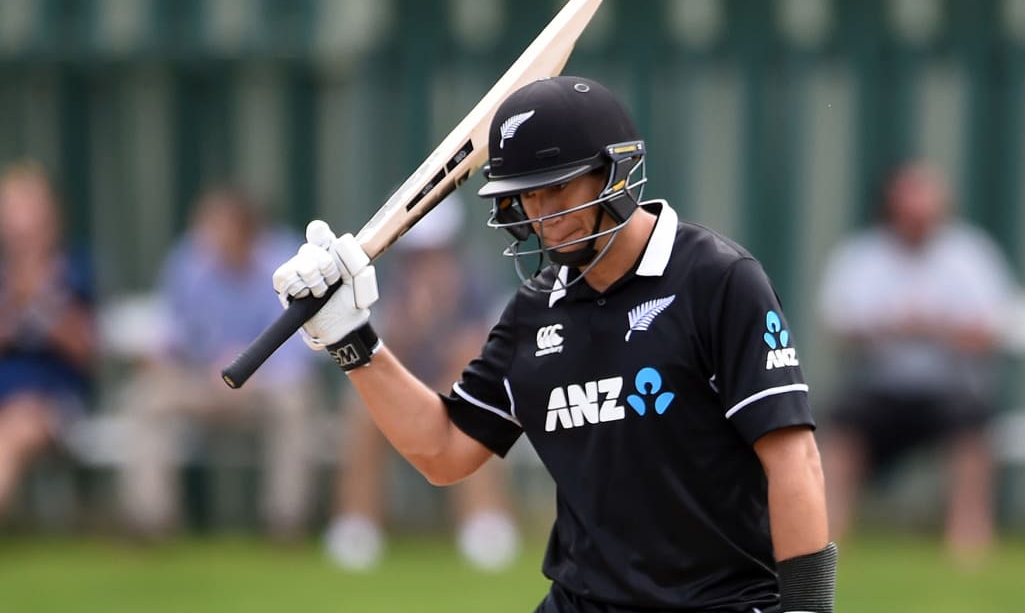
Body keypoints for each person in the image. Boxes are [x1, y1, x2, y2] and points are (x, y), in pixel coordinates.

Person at [270, 76, 836, 612]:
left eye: (558, 189)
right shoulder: (532, 313)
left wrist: (808, 608)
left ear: (614, 173)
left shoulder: (718, 280)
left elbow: (793, 459)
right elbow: (445, 450)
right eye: (526, 198)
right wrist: (352, 339)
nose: (544, 217)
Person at [816, 162, 1013, 562]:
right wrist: (889, 327)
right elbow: (840, 327)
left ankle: (968, 538)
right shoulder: (862, 255)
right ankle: (829, 534)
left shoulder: (970, 254)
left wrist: (936, 329)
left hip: (950, 387)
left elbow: (992, 331)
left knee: (972, 425)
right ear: (892, 207)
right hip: (883, 387)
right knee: (838, 423)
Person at [323, 194, 521, 572]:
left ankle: (483, 521)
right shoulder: (387, 285)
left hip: (457, 392)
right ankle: (357, 523)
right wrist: (414, 322)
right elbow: (382, 359)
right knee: (362, 410)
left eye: (435, 251)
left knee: (468, 405)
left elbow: (476, 358)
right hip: (405, 393)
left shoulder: (474, 284)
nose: (426, 261)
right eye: (419, 253)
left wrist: (437, 317)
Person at [117, 184, 322, 541]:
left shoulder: (286, 262)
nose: (208, 238)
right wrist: (159, 357)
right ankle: (149, 520)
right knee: (144, 397)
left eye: (217, 228)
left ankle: (286, 522)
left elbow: (303, 340)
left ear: (246, 230)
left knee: (297, 401)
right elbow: (173, 331)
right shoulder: (188, 260)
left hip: (264, 384)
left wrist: (255, 368)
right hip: (203, 383)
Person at [0, 160, 97, 517]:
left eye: (29, 209)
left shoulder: (75, 268)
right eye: (13, 208)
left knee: (13, 429)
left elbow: (85, 350)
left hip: (53, 402)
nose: (21, 222)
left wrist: (41, 303)